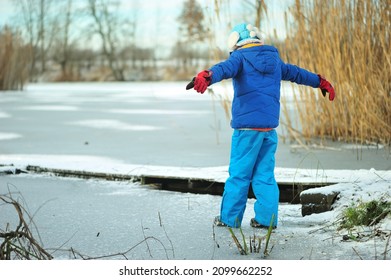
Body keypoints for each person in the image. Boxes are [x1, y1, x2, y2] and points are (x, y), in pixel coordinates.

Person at [187, 22, 335, 229]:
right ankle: (267, 220)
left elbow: (223, 69)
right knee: (265, 176)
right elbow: (297, 73)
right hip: (268, 129)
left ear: (235, 42)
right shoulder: (275, 60)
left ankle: (230, 219)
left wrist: (207, 76)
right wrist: (320, 82)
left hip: (246, 130)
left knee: (239, 175)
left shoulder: (239, 57)